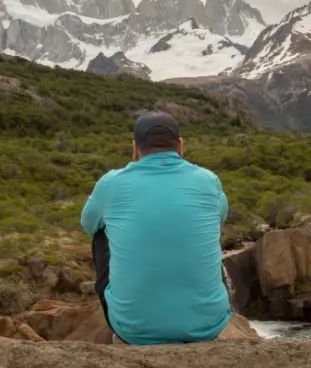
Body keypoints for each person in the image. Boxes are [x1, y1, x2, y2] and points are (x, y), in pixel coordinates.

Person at [80, 111, 232, 344]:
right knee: (205, 227)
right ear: (181, 146)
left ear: (135, 149)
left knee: (101, 231)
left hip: (133, 331)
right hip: (208, 327)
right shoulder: (208, 180)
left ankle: (134, 311)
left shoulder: (111, 183)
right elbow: (221, 217)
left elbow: (88, 224)